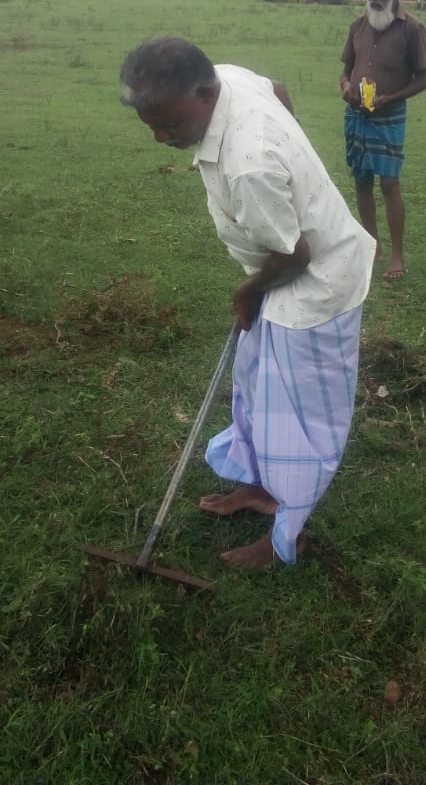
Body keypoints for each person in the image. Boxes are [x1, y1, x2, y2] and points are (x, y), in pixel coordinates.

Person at [120, 37, 376, 569]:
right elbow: (276, 89)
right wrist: (295, 156)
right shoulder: (228, 78)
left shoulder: (250, 164)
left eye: (170, 124)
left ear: (206, 93)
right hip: (279, 281)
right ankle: (261, 489)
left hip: (315, 289)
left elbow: (295, 255)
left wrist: (247, 290)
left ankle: (290, 532)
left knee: (300, 421)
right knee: (259, 388)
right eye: (152, 127)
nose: (162, 138)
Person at [340, 0, 426, 281]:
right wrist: (347, 88)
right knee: (361, 179)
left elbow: (422, 79)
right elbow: (345, 71)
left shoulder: (411, 29)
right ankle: (372, 244)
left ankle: (397, 256)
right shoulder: (358, 26)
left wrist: (389, 99)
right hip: (357, 116)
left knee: (389, 184)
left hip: (389, 117)